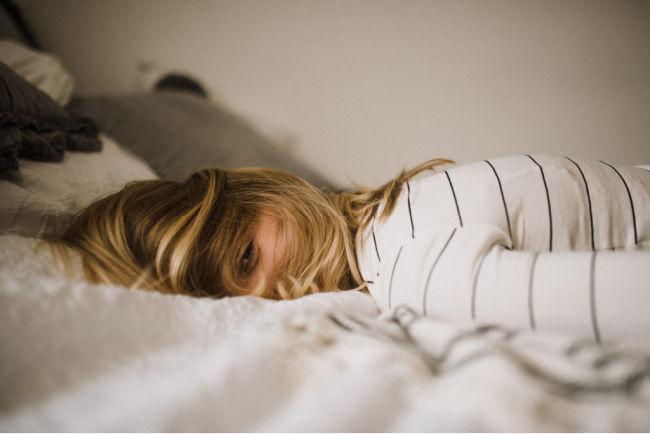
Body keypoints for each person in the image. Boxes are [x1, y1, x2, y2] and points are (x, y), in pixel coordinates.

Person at [59, 155, 650, 341]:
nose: (267, 297)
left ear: (265, 189)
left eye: (246, 258)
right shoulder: (397, 211)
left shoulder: (411, 267)